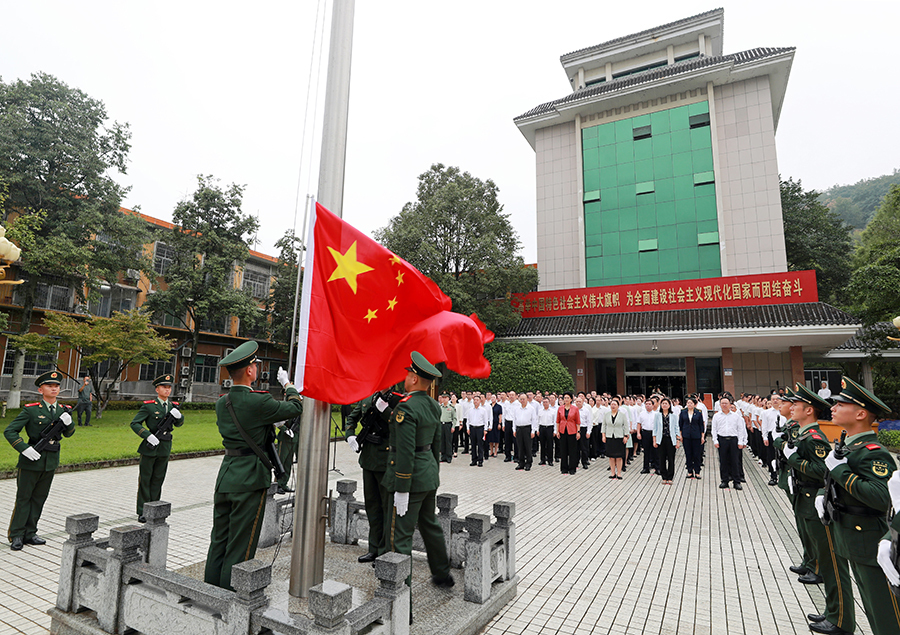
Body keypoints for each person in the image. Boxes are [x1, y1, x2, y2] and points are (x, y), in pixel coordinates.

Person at [204, 342, 303, 590]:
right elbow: (295, 407)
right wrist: (289, 386)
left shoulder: (222, 403)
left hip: (227, 475)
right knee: (241, 545)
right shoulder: (259, 401)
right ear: (249, 371)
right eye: (254, 366)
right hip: (250, 479)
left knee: (219, 540)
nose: (256, 369)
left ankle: (208, 592)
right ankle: (231, 599)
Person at [816, 377, 900, 635]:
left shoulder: (873, 452)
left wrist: (841, 471)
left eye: (841, 404)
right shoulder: (849, 445)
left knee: (887, 615)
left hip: (870, 540)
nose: (833, 407)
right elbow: (832, 475)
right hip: (852, 538)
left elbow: (882, 498)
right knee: (873, 611)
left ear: (861, 413)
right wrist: (822, 492)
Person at [782, 383, 853, 633]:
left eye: (795, 405)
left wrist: (793, 459)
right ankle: (833, 612)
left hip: (816, 498)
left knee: (832, 563)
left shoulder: (814, 438)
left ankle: (840, 618)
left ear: (809, 410)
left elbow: (822, 471)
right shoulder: (804, 435)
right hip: (806, 495)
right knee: (825, 557)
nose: (790, 408)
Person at [383, 351, 453, 592]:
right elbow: (435, 446)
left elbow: (404, 453)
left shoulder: (406, 408)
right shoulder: (433, 405)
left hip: (410, 480)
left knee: (400, 537)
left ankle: (403, 599)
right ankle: (443, 574)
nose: (405, 378)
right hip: (428, 476)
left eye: (408, 374)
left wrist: (401, 488)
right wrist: (433, 474)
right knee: (429, 524)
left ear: (414, 379)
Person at [5, 371, 74, 550]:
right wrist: (24, 448)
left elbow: (68, 434)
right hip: (31, 459)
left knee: (39, 498)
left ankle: (30, 532)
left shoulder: (63, 410)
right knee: (24, 498)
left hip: (50, 461)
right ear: (40, 389)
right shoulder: (31, 409)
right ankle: (17, 534)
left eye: (56, 386)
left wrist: (69, 423)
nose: (54, 388)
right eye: (49, 385)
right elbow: (10, 431)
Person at [344, 389, 394, 562]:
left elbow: (399, 424)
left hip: (386, 460)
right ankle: (373, 548)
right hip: (368, 459)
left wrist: (386, 410)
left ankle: (385, 551)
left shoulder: (395, 399)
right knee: (372, 506)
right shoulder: (366, 397)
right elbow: (352, 417)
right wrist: (350, 435)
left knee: (386, 508)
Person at [130, 374, 184, 522]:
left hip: (165, 447)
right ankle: (142, 510)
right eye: (164, 387)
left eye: (169, 387)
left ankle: (154, 508)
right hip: (150, 446)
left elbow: (179, 424)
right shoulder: (149, 405)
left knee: (158, 479)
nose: (167, 390)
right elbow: (135, 423)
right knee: (145, 479)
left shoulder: (173, 406)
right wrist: (147, 435)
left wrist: (179, 417)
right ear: (157, 389)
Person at [711, 396, 746, 490]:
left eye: (726, 403)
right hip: (722, 440)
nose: (724, 405)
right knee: (723, 461)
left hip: (733, 440)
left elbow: (740, 429)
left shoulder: (736, 416)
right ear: (720, 405)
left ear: (730, 404)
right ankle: (724, 481)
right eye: (722, 403)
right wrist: (715, 440)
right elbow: (714, 429)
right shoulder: (717, 416)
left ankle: (736, 481)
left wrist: (741, 441)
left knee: (735, 461)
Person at [653, 398, 680, 484]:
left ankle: (670, 477)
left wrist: (678, 441)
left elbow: (676, 428)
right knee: (662, 458)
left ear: (669, 405)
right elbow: (655, 428)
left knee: (671, 459)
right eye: (663, 403)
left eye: (666, 403)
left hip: (670, 439)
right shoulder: (657, 415)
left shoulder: (674, 416)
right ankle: (664, 476)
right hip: (661, 439)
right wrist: (654, 440)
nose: (664, 405)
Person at [601, 397, 628, 479]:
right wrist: (603, 436)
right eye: (612, 404)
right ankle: (612, 473)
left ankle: (619, 473)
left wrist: (626, 436)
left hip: (619, 437)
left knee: (619, 457)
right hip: (609, 436)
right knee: (611, 457)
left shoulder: (622, 415)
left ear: (618, 406)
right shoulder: (606, 415)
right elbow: (604, 426)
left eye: (615, 404)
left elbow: (626, 426)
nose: (613, 406)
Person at [511, 392, 538, 471]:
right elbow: (514, 420)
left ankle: (528, 463)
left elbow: (534, 420)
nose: (522, 400)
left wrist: (533, 431)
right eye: (521, 399)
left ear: (527, 399)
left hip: (527, 429)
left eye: (524, 399)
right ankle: (521, 463)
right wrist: (514, 429)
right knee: (520, 447)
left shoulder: (531, 409)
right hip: (519, 429)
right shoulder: (516, 409)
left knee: (528, 447)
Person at [556, 392, 580, 475]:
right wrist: (557, 431)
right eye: (564, 398)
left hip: (572, 431)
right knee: (563, 450)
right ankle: (564, 468)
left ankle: (572, 468)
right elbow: (558, 421)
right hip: (563, 431)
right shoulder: (560, 408)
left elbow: (578, 422)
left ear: (571, 399)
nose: (566, 399)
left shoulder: (575, 409)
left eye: (567, 398)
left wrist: (578, 432)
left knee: (572, 450)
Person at [680, 397, 705, 479]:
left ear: (694, 404)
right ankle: (690, 471)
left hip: (696, 436)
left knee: (697, 454)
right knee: (688, 454)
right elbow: (680, 424)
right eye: (688, 403)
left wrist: (702, 436)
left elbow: (701, 425)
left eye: (691, 403)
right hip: (686, 436)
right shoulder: (683, 412)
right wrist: (680, 435)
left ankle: (697, 471)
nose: (689, 404)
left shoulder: (698, 413)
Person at [467, 394, 490, 467]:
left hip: (480, 428)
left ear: (480, 401)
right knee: (473, 445)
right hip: (472, 428)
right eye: (474, 400)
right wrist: (468, 428)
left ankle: (480, 460)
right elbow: (468, 420)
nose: (475, 401)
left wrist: (485, 429)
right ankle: (474, 460)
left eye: (477, 400)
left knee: (480, 445)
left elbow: (486, 421)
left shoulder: (483, 410)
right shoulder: (470, 410)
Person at [636, 398, 657, 474]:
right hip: (645, 433)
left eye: (649, 404)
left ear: (653, 405)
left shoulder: (656, 414)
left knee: (655, 451)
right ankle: (646, 468)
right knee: (646, 451)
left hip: (654, 433)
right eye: (646, 404)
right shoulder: (642, 414)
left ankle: (657, 467)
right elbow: (638, 424)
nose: (648, 406)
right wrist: (638, 433)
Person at [438, 392, 456, 463]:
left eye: (446, 398)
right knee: (442, 441)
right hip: (441, 424)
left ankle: (449, 457)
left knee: (448, 441)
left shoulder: (451, 408)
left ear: (448, 399)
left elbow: (454, 418)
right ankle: (443, 456)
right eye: (443, 398)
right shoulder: (440, 407)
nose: (444, 399)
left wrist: (453, 426)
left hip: (448, 425)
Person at [537, 398, 555, 466]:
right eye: (544, 402)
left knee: (550, 445)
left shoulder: (553, 411)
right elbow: (537, 421)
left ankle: (550, 460)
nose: (545, 403)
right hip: (542, 428)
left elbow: (555, 422)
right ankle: (542, 459)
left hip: (550, 428)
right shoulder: (540, 411)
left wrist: (555, 430)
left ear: (549, 403)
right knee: (542, 445)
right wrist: (537, 430)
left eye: (546, 402)